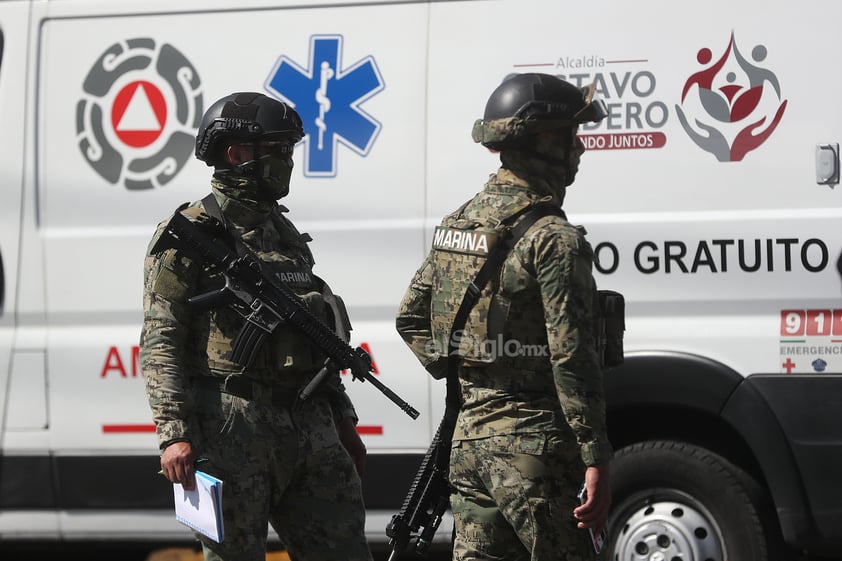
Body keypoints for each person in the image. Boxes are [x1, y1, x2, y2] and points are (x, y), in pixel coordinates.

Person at [140, 92, 373, 561]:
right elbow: (161, 339)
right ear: (236, 153)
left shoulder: (286, 236)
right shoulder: (191, 233)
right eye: (277, 149)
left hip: (310, 422)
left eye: (289, 149)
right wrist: (174, 433)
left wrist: (343, 415)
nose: (286, 161)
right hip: (233, 426)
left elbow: (312, 333)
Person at [395, 73, 613, 560]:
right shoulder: (555, 238)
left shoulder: (460, 222)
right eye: (574, 138)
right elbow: (571, 355)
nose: (580, 152)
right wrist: (595, 454)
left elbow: (411, 318)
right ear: (546, 141)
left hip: (467, 442)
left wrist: (471, 370)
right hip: (535, 451)